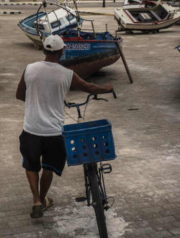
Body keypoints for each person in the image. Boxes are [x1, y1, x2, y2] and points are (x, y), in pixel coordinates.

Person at [16, 35, 113, 219]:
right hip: (53, 132)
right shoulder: (67, 74)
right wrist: (106, 88)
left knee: (31, 165)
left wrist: (35, 103)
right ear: (61, 52)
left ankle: (36, 200)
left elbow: (20, 95)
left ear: (44, 50)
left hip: (31, 128)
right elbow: (89, 87)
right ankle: (44, 199)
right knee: (49, 167)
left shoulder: (29, 69)